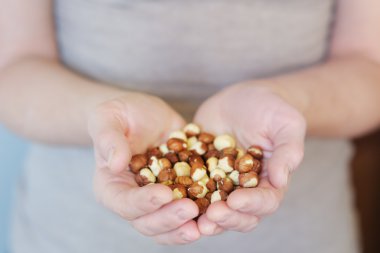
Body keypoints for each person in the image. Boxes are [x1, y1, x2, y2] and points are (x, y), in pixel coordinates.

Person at [1, 0, 379, 252]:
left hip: (302, 236)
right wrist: (100, 116)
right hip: (73, 235)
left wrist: (289, 102)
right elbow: (12, 69)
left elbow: (370, 68)